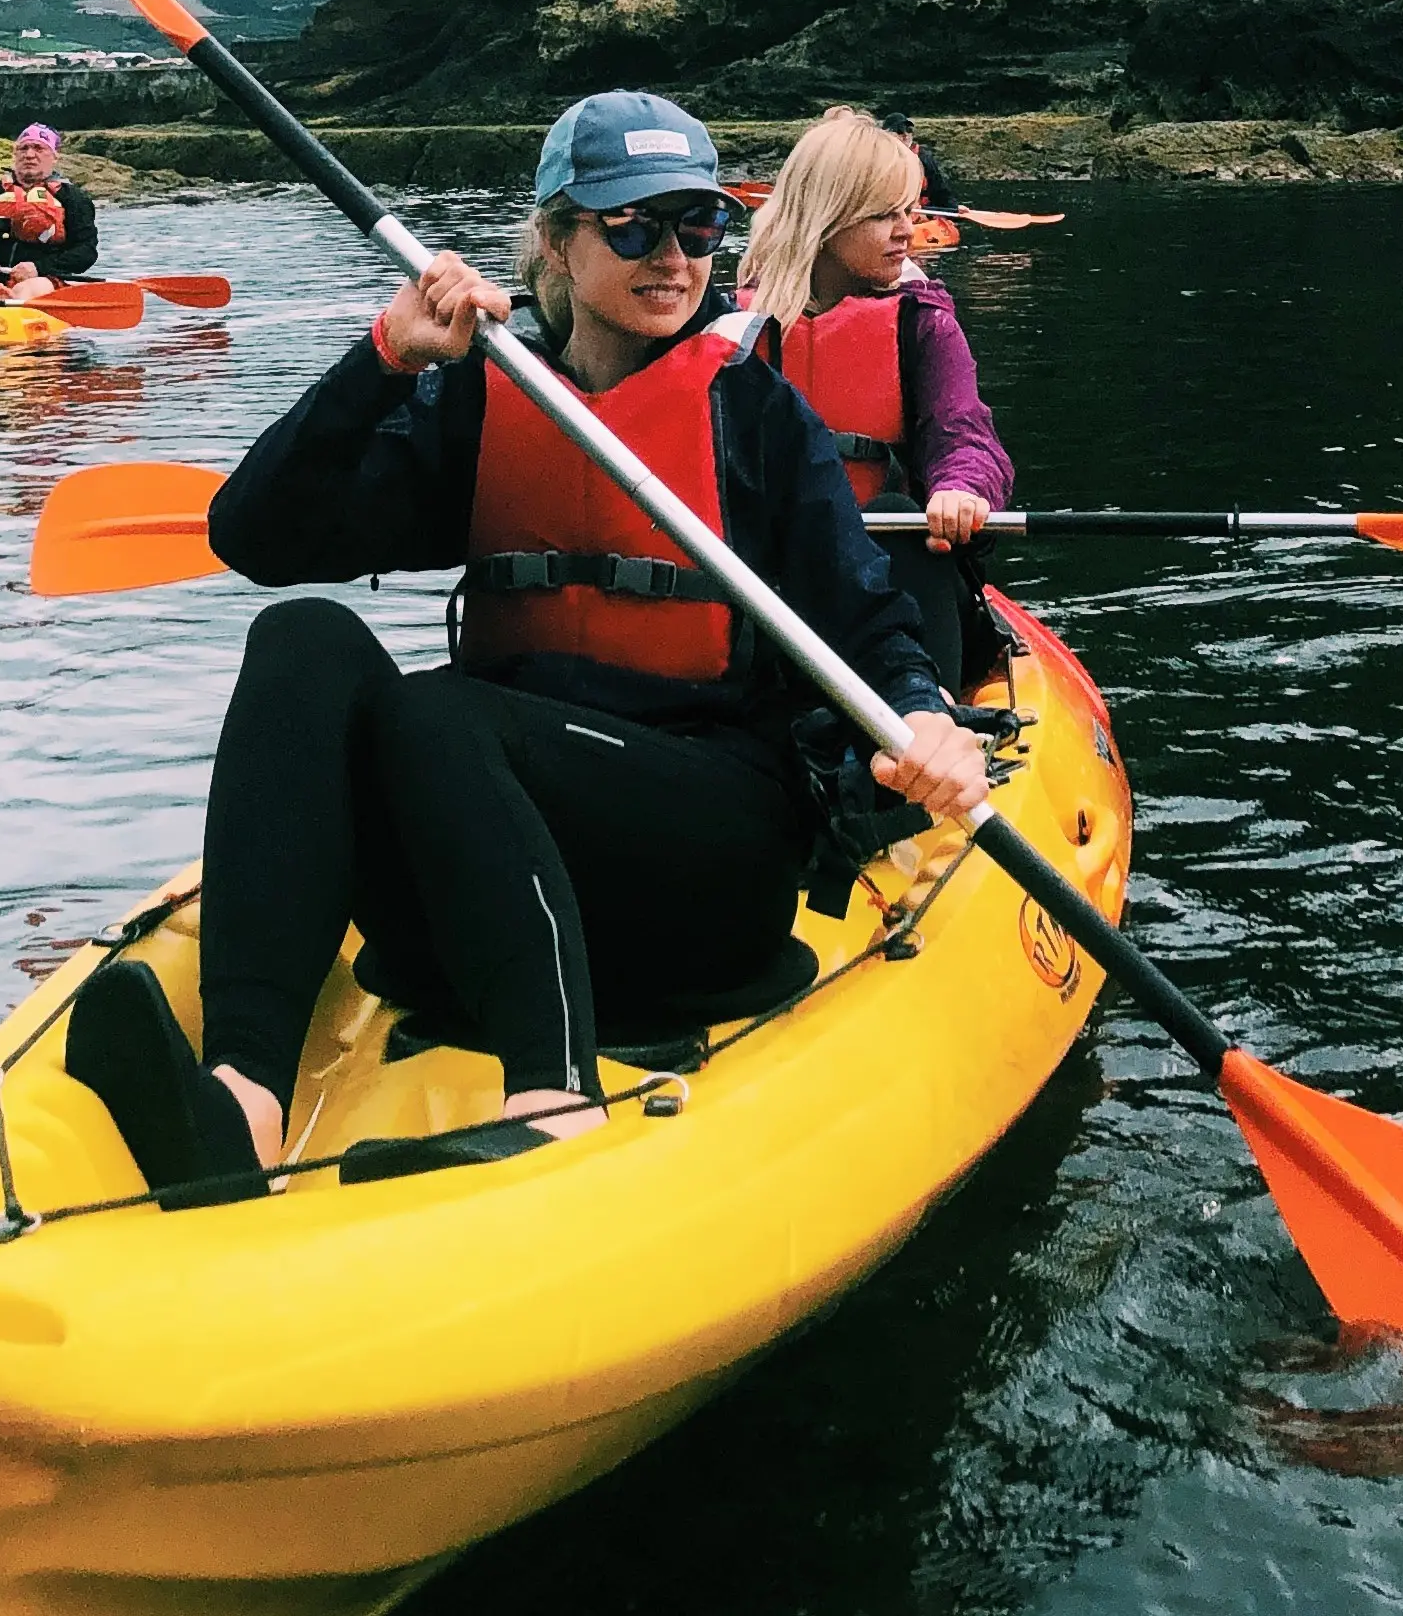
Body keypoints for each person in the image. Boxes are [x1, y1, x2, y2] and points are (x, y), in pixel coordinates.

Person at [58, 90, 989, 1207]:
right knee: (302, 637)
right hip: (496, 854)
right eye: (632, 227)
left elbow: (864, 611)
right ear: (553, 241)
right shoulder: (479, 402)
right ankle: (242, 1101)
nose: (674, 257)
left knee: (437, 711)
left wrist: (924, 714)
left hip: (704, 861)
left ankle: (551, 1097)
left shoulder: (751, 413)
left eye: (697, 227)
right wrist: (384, 360)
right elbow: (255, 536)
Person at [739, 107, 1015, 693]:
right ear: (828, 219)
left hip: (894, 562)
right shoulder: (736, 331)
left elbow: (962, 430)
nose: (906, 232)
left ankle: (929, 710)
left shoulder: (922, 324)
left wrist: (961, 486)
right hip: (779, 574)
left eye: (908, 213)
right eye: (883, 216)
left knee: (911, 532)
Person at [0, 122, 98, 302]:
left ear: (54, 157)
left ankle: (8, 304)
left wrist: (39, 267)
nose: (29, 155)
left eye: (38, 148)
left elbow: (85, 252)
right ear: (15, 154)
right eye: (23, 148)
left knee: (26, 290)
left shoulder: (74, 200)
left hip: (42, 278)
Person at [877, 109, 958, 212]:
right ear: (887, 134)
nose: (905, 134)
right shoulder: (879, 158)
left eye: (908, 129)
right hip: (891, 211)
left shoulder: (924, 157)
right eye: (899, 130)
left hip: (920, 211)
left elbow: (940, 189)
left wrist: (954, 208)